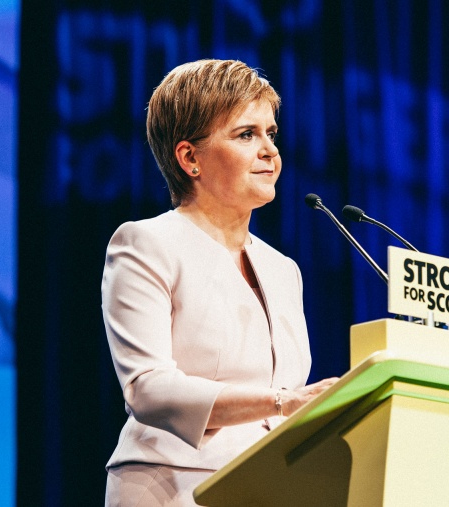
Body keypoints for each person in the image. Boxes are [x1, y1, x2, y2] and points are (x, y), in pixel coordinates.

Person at [101, 59, 337, 506]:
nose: (269, 151)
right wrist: (281, 402)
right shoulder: (146, 243)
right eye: (247, 134)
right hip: (173, 484)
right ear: (190, 158)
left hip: (272, 485)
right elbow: (148, 388)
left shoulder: (283, 269)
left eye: (271, 134)